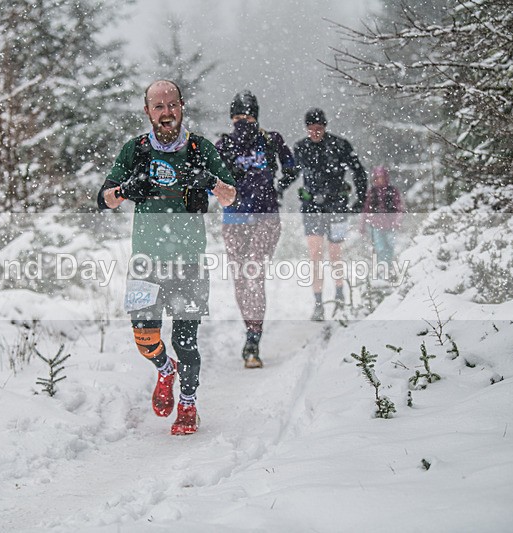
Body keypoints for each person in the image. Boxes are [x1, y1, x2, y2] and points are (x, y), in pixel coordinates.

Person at [97, 80, 236, 436]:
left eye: (171, 105)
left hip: (189, 260)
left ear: (182, 106)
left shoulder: (199, 148)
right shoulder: (137, 151)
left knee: (185, 340)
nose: (166, 112)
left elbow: (231, 196)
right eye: (158, 107)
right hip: (145, 261)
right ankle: (164, 369)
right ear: (147, 112)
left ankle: (188, 405)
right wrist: (126, 190)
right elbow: (104, 199)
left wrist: (210, 183)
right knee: (144, 337)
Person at [215, 90, 297, 368]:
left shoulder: (271, 139)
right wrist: (226, 182)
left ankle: (253, 338)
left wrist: (278, 188)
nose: (243, 120)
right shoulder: (223, 145)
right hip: (234, 219)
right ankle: (250, 331)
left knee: (253, 273)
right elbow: (208, 178)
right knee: (241, 279)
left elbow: (292, 167)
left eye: (247, 115)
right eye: (237, 116)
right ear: (231, 117)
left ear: (256, 116)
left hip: (266, 217)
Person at [289, 108, 367, 321]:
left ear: (325, 126)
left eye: (319, 128)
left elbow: (358, 170)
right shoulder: (301, 148)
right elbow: (292, 173)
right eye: (312, 129)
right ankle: (318, 303)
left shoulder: (340, 145)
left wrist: (360, 198)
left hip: (337, 207)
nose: (315, 132)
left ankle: (340, 297)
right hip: (312, 207)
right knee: (315, 255)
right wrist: (277, 188)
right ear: (306, 128)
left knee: (335, 255)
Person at [361, 165, 404, 271]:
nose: (380, 180)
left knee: (390, 247)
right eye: (377, 178)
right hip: (376, 225)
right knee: (380, 248)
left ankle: (388, 268)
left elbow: (399, 207)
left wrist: (397, 221)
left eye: (382, 177)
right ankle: (382, 270)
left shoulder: (393, 191)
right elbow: (366, 209)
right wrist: (362, 224)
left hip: (390, 225)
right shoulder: (372, 192)